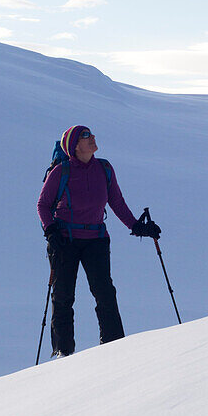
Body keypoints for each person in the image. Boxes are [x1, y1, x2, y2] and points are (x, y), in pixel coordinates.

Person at [37, 125, 160, 359]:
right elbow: (42, 204)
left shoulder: (104, 168)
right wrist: (51, 232)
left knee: (104, 292)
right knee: (63, 295)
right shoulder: (61, 171)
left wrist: (137, 227)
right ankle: (64, 352)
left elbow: (117, 202)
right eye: (86, 136)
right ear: (74, 146)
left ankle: (113, 345)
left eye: (91, 134)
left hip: (96, 240)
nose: (92, 137)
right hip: (64, 241)